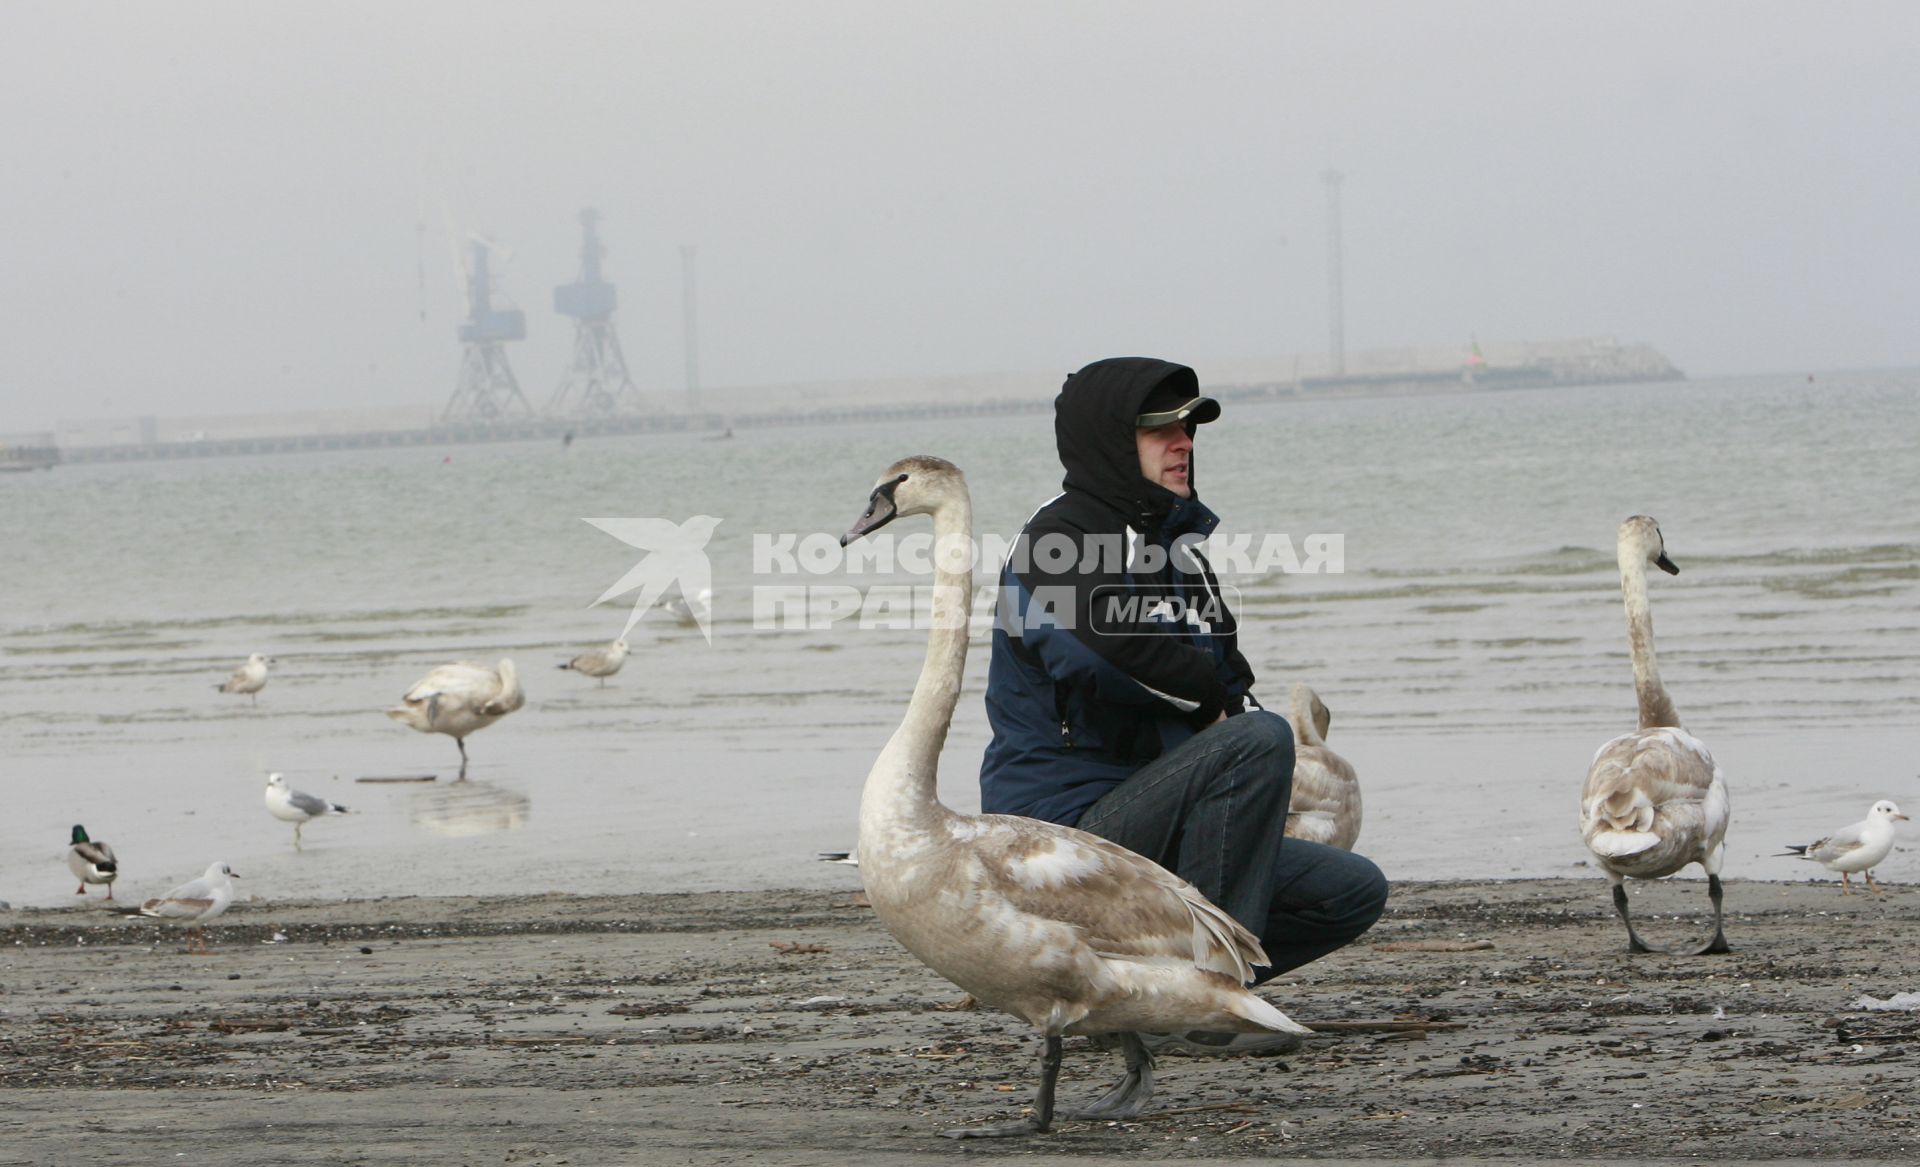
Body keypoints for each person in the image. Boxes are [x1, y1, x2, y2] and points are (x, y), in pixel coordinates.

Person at [980, 355, 1387, 1053]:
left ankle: (1137, 1004)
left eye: (1190, 426)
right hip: (1062, 840)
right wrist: (1218, 711)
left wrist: (1231, 714)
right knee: (1258, 738)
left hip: (1155, 826)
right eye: (1160, 428)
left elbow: (1233, 674)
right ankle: (1206, 1002)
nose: (1184, 442)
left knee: (1349, 889)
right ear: (1111, 440)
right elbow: (1103, 654)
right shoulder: (1057, 539)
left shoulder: (1181, 550)